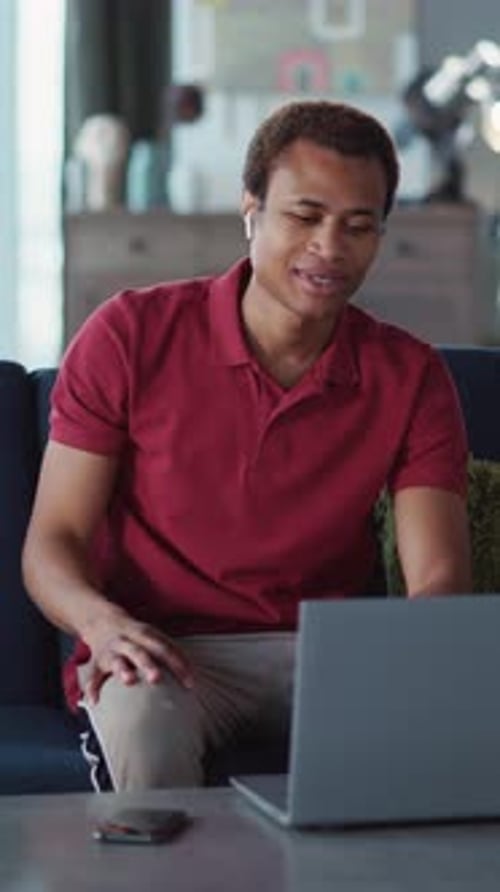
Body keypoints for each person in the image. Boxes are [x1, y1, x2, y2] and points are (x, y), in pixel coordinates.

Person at [22, 100, 471, 792]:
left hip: (326, 655)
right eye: (305, 215)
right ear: (251, 209)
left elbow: (439, 576)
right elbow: (52, 540)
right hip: (162, 651)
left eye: (359, 226)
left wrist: (406, 672)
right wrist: (101, 623)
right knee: (144, 736)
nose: (330, 246)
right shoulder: (129, 335)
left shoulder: (410, 374)